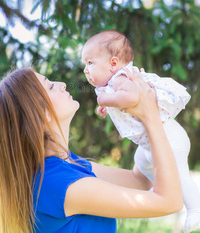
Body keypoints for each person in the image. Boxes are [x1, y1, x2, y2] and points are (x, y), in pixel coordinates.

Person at [0, 67, 182, 233]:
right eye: (50, 86)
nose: (62, 85)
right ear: (40, 114)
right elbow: (169, 201)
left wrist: (141, 119)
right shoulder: (56, 182)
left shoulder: (67, 163)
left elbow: (140, 180)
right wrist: (151, 116)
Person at [81, 30, 200, 233]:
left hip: (169, 139)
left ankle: (196, 209)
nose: (85, 70)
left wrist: (104, 100)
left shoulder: (120, 78)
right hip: (151, 142)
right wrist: (108, 105)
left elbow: (131, 98)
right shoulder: (114, 83)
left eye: (90, 63)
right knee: (143, 164)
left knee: (179, 175)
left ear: (113, 63)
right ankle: (161, 186)